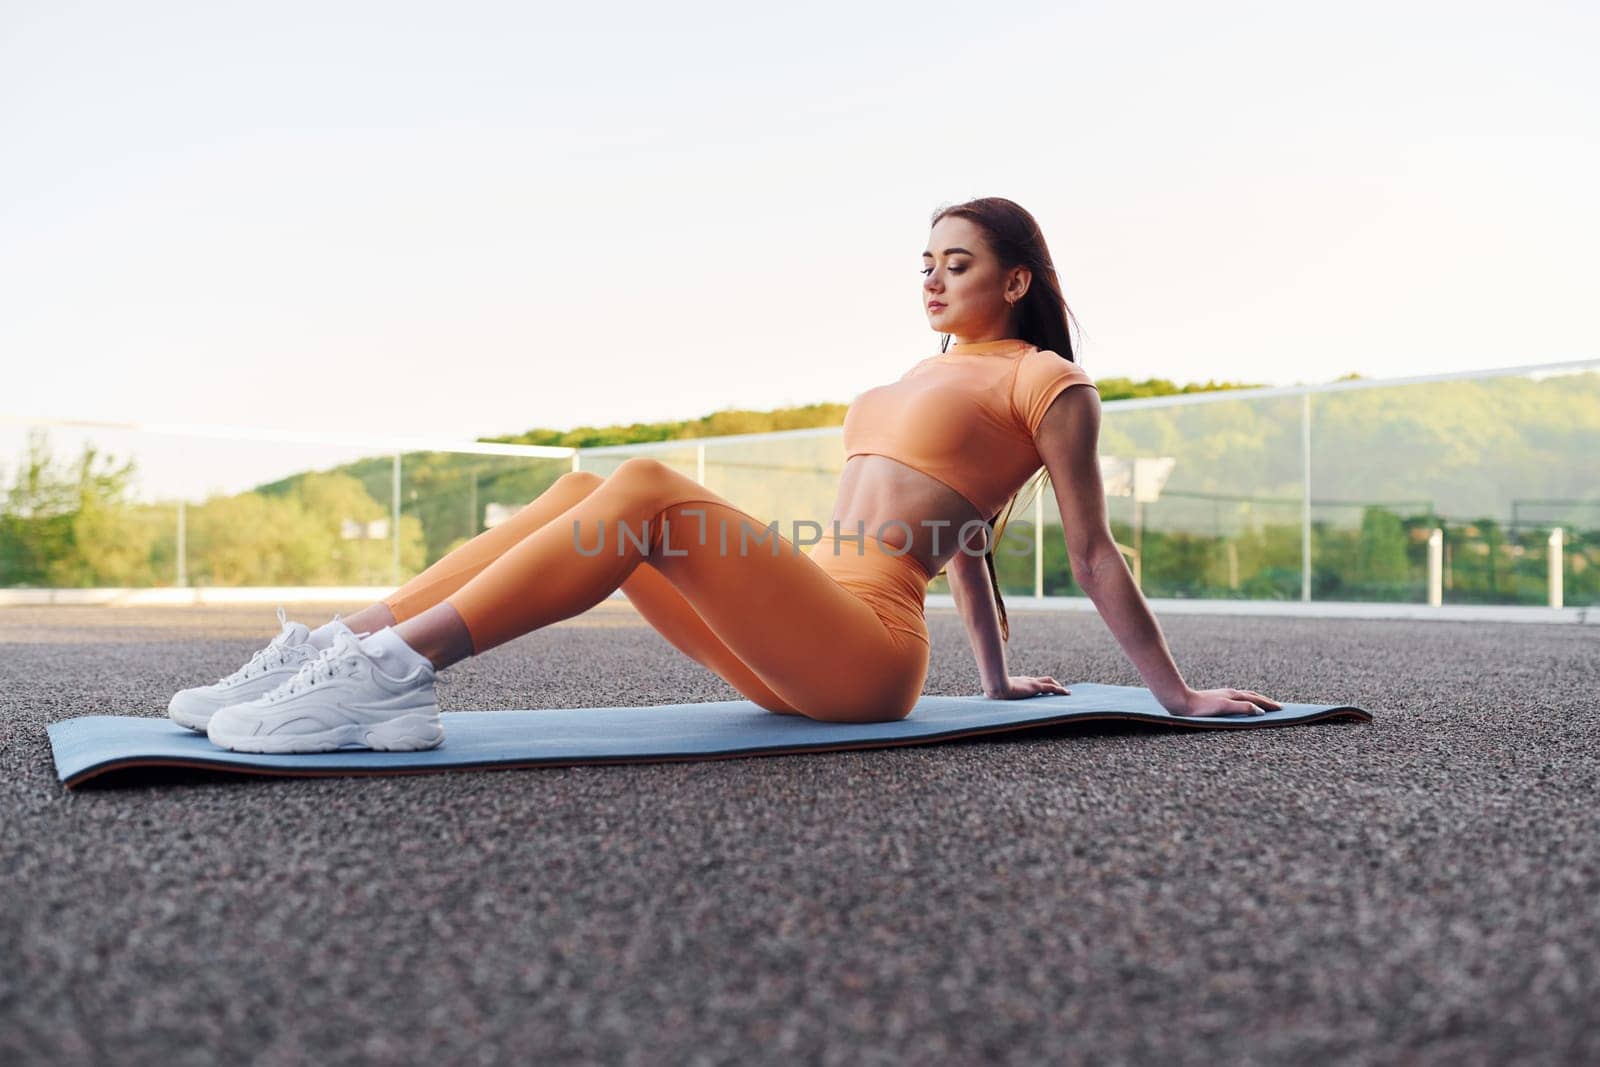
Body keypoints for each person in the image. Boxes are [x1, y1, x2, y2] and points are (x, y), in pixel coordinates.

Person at [170, 196, 1282, 754]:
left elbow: (1088, 550)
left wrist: (1173, 695)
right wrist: (992, 681)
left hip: (866, 657)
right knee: (577, 491)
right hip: (805, 628)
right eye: (924, 264)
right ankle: (330, 653)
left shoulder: (1048, 383)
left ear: (1017, 276)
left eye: (959, 262)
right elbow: (971, 543)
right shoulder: (913, 375)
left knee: (646, 487)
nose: (934, 279)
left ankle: (395, 671)